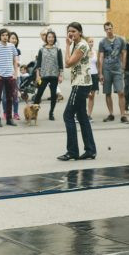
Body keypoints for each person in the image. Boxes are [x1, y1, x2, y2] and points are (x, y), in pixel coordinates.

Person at [58, 22, 96, 161]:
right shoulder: (78, 44)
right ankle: (90, 150)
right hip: (82, 83)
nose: (71, 34)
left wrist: (67, 46)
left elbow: (67, 63)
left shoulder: (82, 45)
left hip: (81, 84)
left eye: (73, 31)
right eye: (69, 31)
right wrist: (70, 45)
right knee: (82, 117)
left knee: (68, 115)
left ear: (80, 32)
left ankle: (72, 151)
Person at [98, 21, 129, 124]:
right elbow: (101, 57)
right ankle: (111, 114)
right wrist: (100, 73)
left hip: (117, 69)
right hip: (106, 69)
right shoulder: (102, 42)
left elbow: (124, 53)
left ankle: (123, 115)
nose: (108, 31)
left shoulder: (120, 40)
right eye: (106, 29)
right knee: (107, 92)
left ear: (112, 28)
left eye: (110, 28)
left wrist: (123, 66)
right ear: (104, 30)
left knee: (121, 92)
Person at [0, 28, 18, 127]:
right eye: (3, 35)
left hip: (10, 76)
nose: (5, 37)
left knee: (10, 98)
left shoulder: (12, 46)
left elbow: (15, 61)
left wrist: (15, 74)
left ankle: (9, 119)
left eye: (6, 35)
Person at [33, 30, 64, 120]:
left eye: (52, 37)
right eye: (49, 37)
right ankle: (34, 112)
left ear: (54, 39)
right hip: (44, 75)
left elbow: (60, 63)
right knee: (39, 94)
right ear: (46, 38)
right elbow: (38, 64)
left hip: (54, 75)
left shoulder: (58, 49)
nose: (51, 39)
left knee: (53, 95)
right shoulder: (41, 50)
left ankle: (51, 113)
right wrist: (38, 75)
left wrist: (61, 75)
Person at [1, 31, 21, 120]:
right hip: (6, 75)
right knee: (5, 96)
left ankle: (15, 113)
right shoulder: (3, 49)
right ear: (8, 39)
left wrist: (17, 66)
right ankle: (5, 113)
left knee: (15, 96)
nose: (14, 40)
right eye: (12, 38)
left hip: (16, 76)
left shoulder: (17, 50)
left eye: (15, 38)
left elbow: (18, 61)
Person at [87, 37, 99, 122]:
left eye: (92, 42)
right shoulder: (84, 51)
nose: (91, 43)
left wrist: (99, 75)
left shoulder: (95, 52)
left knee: (92, 96)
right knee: (85, 95)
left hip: (94, 75)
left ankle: (89, 115)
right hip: (86, 76)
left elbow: (98, 64)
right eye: (89, 42)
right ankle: (79, 114)